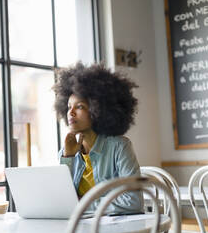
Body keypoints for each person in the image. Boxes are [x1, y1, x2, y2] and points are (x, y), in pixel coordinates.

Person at [52, 62, 143, 215]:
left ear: (98, 109)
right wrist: (68, 158)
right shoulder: (66, 150)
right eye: (69, 107)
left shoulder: (119, 147)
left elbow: (133, 202)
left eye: (79, 106)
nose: (71, 113)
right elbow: (63, 201)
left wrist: (84, 204)